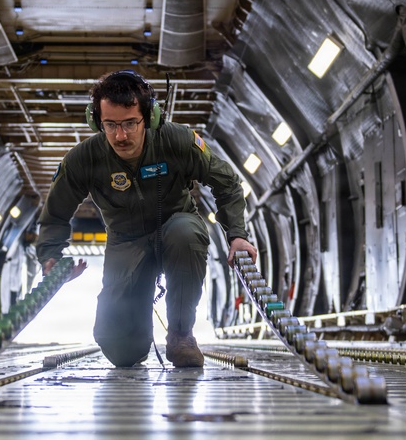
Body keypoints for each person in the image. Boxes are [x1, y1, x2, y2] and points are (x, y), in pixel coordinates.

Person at [35, 70, 257, 367]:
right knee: (120, 351)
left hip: (176, 226)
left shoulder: (176, 141)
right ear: (96, 121)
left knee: (186, 234)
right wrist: (51, 257)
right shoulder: (83, 159)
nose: (120, 135)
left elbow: (227, 182)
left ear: (149, 117)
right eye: (110, 125)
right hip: (126, 242)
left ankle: (180, 334)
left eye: (129, 123)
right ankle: (135, 332)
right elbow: (56, 211)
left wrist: (237, 235)